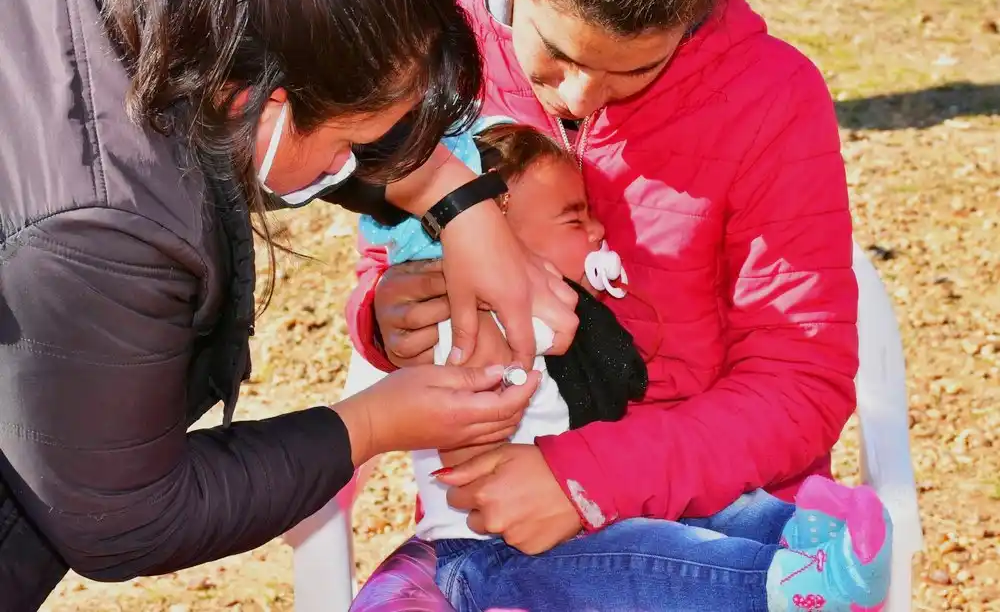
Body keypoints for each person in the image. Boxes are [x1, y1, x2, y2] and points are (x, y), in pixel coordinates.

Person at [0, 0, 579, 610]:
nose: (361, 159)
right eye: (351, 140)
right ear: (255, 105)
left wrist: (457, 197)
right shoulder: (101, 232)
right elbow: (123, 516)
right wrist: (368, 424)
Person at [349, 0, 866, 605]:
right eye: (553, 54)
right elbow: (385, 258)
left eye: (635, 70)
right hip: (484, 518)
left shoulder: (770, 98)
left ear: (693, 9)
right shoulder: (438, 64)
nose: (582, 94)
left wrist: (585, 479)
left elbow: (800, 381)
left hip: (715, 517)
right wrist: (387, 318)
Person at [355, 122, 892, 612]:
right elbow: (492, 380)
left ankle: (812, 534)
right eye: (573, 218)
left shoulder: (561, 319)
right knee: (648, 564)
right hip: (491, 556)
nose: (596, 232)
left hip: (574, 518)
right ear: (495, 240)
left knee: (718, 514)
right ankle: (778, 588)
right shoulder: (472, 325)